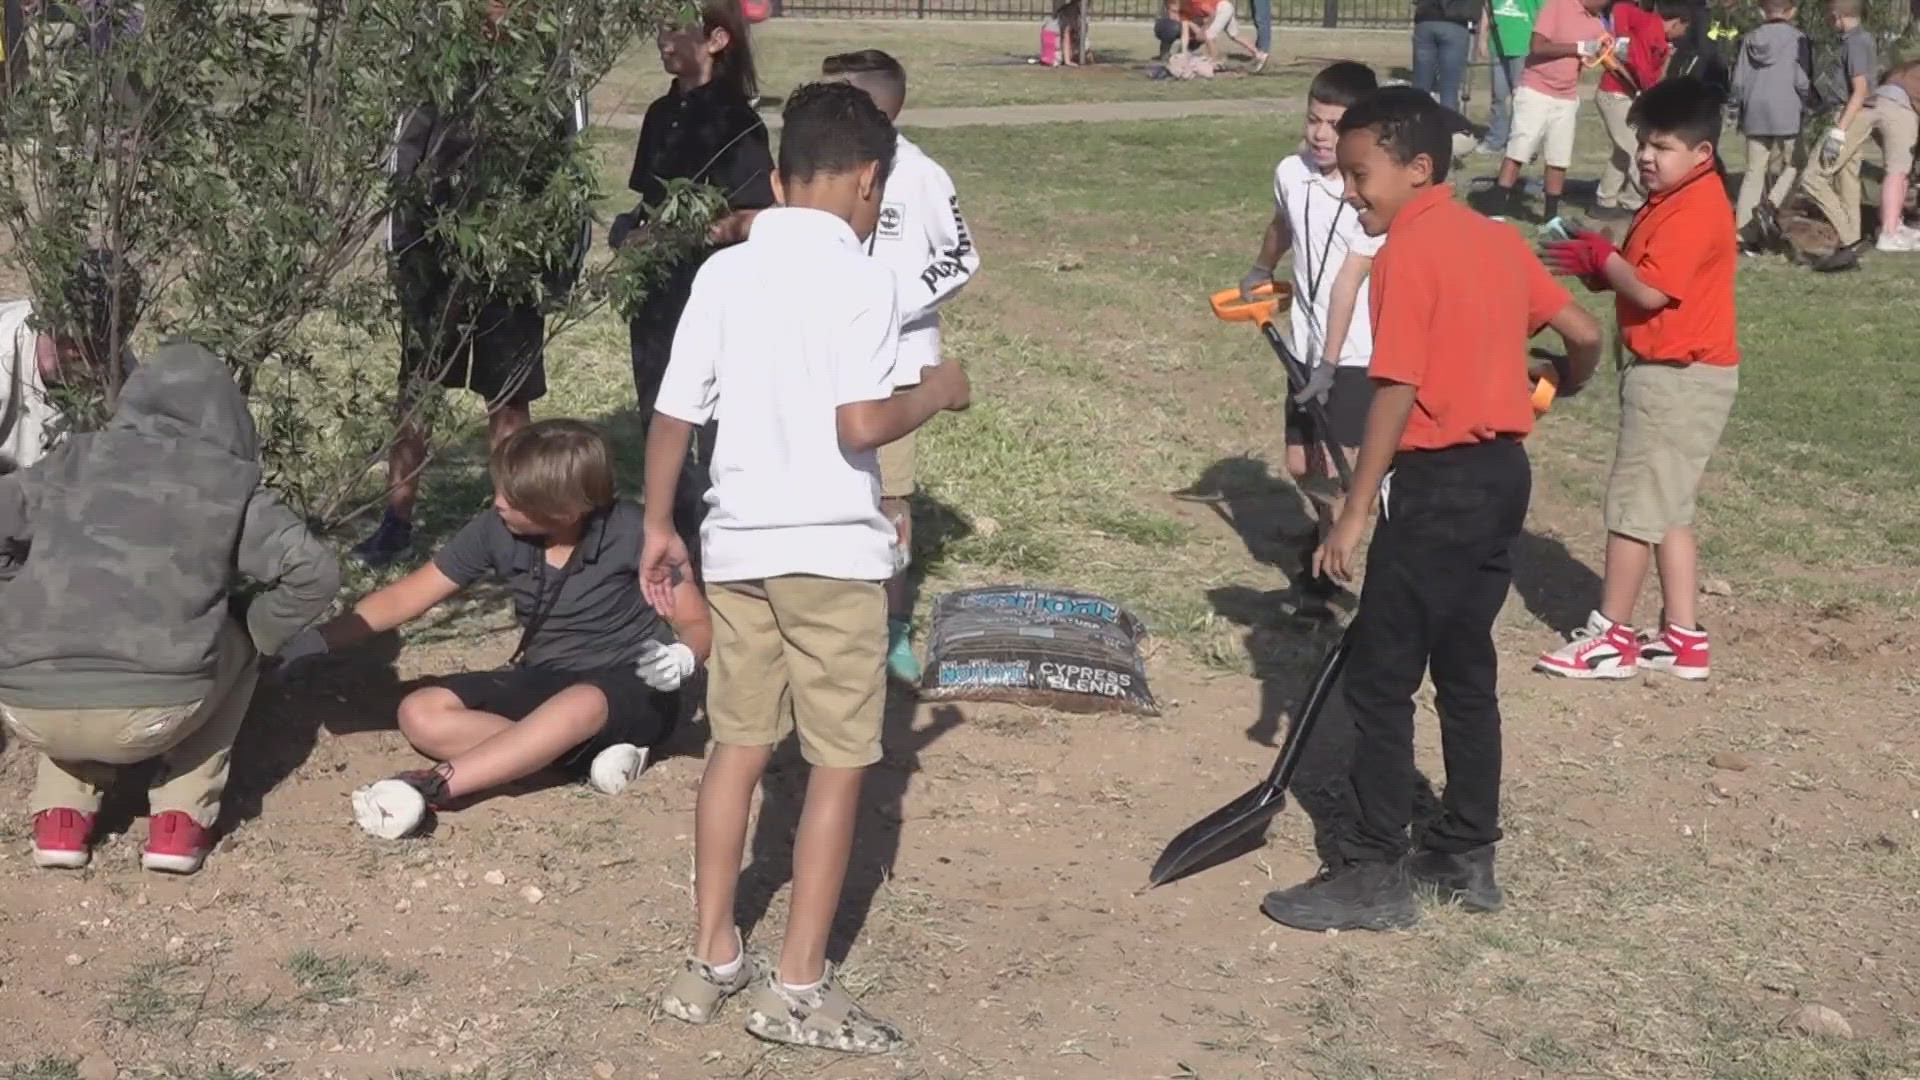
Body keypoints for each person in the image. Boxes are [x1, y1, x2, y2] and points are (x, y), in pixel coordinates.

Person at [640, 82, 969, 1052]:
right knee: (836, 766)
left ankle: (711, 956)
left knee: (735, 748)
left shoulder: (726, 274)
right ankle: (795, 987)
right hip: (831, 554)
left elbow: (673, 413)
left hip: (737, 549)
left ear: (780, 178)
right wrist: (938, 391)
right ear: (872, 182)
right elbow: (861, 423)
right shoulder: (874, 281)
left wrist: (661, 523)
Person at [1260, 87, 1603, 933]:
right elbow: (1586, 334)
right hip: (1501, 481)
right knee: (1464, 664)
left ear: (1418, 168)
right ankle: (1465, 849)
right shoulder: (1494, 239)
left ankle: (1374, 868)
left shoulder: (1407, 253)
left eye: (1360, 173)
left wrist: (1353, 511)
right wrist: (1562, 379)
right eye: (1342, 175)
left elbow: (1396, 390)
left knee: (1380, 681)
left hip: (1440, 487)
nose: (1348, 192)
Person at [0, 342, 340, 874]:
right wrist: (256, 630)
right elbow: (315, 572)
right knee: (242, 644)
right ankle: (180, 825)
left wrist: (18, 593)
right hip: (155, 710)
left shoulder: (70, 459)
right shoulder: (228, 482)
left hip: (25, 705)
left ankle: (61, 819)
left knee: (63, 633)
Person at [284, 420, 711, 840]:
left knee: (580, 703)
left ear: (565, 512)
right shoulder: (496, 527)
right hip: (547, 679)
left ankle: (430, 786)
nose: (499, 502)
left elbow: (695, 620)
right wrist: (314, 640)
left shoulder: (633, 531)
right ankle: (586, 762)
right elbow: (407, 597)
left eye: (515, 498)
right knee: (420, 712)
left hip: (632, 683)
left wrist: (685, 656)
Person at [354, 0, 591, 568]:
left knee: (508, 401)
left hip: (511, 266)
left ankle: (515, 522)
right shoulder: (440, 58)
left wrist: (560, 268)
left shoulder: (551, 62)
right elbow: (404, 156)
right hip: (435, 263)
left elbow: (571, 169)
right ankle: (396, 521)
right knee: (417, 394)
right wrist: (404, 253)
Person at [1534, 77, 1738, 682]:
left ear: (1702, 154)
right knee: (1669, 509)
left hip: (1677, 378)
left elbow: (1649, 290)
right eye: (1644, 143)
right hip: (1682, 373)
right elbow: (1645, 276)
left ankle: (1611, 638)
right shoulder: (1676, 197)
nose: (1647, 156)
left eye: (1664, 147)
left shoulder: (1695, 207)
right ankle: (1682, 639)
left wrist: (1604, 259)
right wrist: (1601, 268)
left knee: (1631, 509)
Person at [822, 49, 981, 685]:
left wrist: (896, 302)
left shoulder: (919, 175)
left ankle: (891, 629)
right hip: (831, 353)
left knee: (890, 497)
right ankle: (837, 615)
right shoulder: (831, 172)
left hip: (900, 365)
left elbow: (962, 256)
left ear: (882, 108)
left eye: (843, 100)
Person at [616, 0, 774, 531]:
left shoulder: (739, 124)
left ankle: (718, 528)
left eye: (677, 30)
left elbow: (757, 215)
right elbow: (650, 200)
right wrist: (630, 231)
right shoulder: (661, 115)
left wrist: (685, 236)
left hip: (710, 290)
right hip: (655, 292)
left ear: (717, 40)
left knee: (713, 419)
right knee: (657, 408)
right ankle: (674, 527)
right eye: (661, 28)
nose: (664, 40)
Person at [1240, 61, 1383, 614]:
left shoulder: (1369, 191)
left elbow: (1359, 277)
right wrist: (1260, 267)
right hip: (1303, 348)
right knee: (1302, 466)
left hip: (1354, 354)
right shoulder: (1289, 172)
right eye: (1314, 120)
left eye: (1335, 124)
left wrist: (1332, 359)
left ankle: (1322, 581)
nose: (1321, 134)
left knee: (1337, 471)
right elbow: (1283, 222)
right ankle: (1326, 534)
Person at [0, 249, 142, 474]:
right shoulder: (4, 356)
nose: (81, 353)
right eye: (69, 338)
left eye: (96, 344)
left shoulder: (117, 368)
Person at [1479, 0, 1611, 222]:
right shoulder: (1557, 5)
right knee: (1519, 150)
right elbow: (1537, 46)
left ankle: (1550, 218)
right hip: (1535, 91)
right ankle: (1496, 210)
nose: (1605, 6)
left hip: (1567, 97)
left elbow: (1603, 58)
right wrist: (1578, 47)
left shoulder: (1597, 24)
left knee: (1559, 158)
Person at [1807, 58, 1920, 267]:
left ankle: (1892, 224)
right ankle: (1890, 230)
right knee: (1898, 171)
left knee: (1890, 171)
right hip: (1900, 109)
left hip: (1873, 101)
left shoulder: (1904, 68)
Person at [1800, 0, 1883, 268]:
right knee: (1847, 180)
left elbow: (1860, 90)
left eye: (1827, 16)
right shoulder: (1861, 39)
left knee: (1812, 178)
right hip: (1856, 113)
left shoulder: (1856, 43)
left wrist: (1839, 131)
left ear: (1836, 16)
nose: (1826, 21)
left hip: (1852, 115)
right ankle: (1852, 243)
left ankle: (1849, 242)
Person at [1592, 0, 1691, 220]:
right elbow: (1621, 10)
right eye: (1684, 28)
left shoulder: (1663, 46)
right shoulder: (1647, 25)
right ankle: (1639, 200)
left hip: (1628, 97)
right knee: (1632, 147)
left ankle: (1606, 200)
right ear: (1676, 22)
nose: (1683, 34)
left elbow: (1654, 79)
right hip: (1614, 94)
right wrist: (1623, 37)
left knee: (1622, 151)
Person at [1730, 0, 1809, 242]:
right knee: (1796, 163)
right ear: (1792, 11)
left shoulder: (1749, 39)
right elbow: (1802, 80)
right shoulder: (1799, 39)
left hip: (1755, 110)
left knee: (1754, 171)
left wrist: (1736, 108)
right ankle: (1771, 205)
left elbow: (1739, 81)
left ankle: (1742, 232)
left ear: (1762, 11)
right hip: (1787, 110)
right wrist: (1809, 102)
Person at [1478, 0, 1544, 157]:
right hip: (1498, 46)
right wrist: (1482, 38)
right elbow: (1487, 9)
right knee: (1499, 96)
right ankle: (1495, 140)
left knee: (1522, 97)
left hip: (1523, 46)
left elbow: (1544, 16)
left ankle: (1523, 142)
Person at [1413, 0, 1480, 114]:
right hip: (1456, 20)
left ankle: (1414, 124)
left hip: (1426, 18)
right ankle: (1448, 126)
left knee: (1421, 85)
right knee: (1449, 87)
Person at [1180, 0, 1265, 69]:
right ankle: (1259, 54)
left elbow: (1212, 14)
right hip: (1225, 7)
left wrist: (1203, 29)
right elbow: (1185, 34)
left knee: (1209, 35)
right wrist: (1184, 53)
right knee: (1235, 35)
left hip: (1222, 8)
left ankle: (1215, 62)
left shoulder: (1195, 2)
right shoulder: (1183, 11)